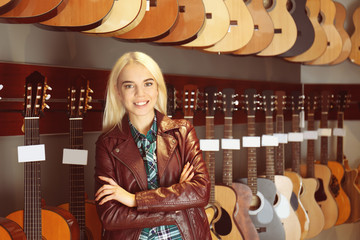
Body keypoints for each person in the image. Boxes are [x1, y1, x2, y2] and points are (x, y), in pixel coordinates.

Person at [94, 51, 211, 240]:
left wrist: (134, 200)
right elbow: (111, 216)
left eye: (148, 83)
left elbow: (200, 192)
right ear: (118, 92)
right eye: (129, 86)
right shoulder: (107, 144)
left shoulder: (182, 132)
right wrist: (177, 204)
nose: (140, 94)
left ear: (157, 88)